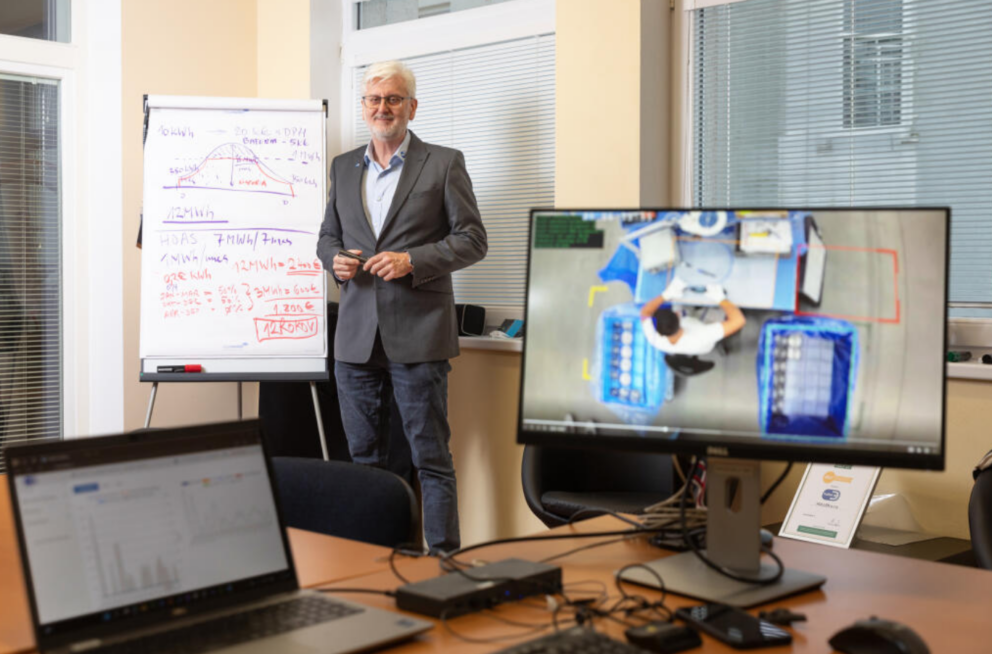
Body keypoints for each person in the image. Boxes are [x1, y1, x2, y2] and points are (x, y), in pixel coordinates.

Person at [316, 60, 487, 554]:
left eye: (393, 99)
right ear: (363, 107)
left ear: (412, 107)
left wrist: (413, 261)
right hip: (355, 338)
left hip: (419, 333)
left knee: (430, 458)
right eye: (374, 99)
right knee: (364, 462)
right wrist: (335, 261)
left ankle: (444, 564)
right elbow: (328, 236)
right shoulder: (343, 167)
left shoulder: (444, 163)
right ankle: (377, 559)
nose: (382, 108)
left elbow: (473, 240)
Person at [639, 277, 746, 356]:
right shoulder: (702, 336)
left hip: (689, 322)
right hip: (703, 328)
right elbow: (739, 320)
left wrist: (666, 295)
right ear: (677, 316)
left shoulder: (653, 338)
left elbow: (644, 313)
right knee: (723, 311)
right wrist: (720, 298)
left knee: (681, 303)